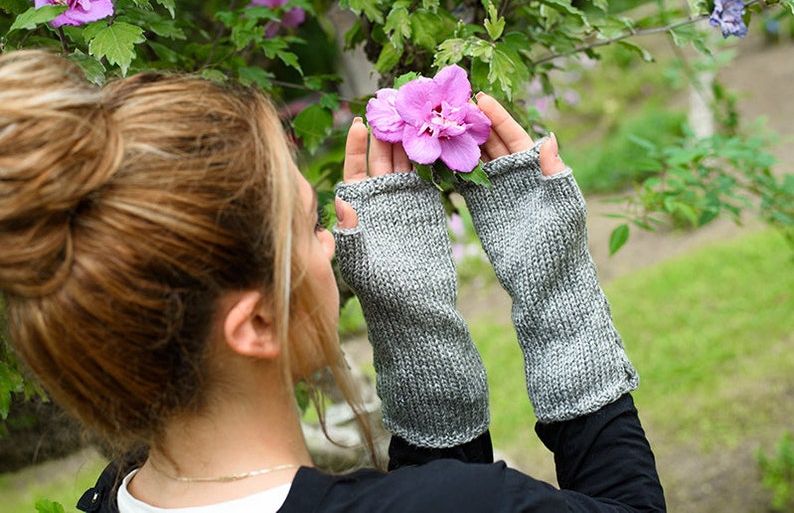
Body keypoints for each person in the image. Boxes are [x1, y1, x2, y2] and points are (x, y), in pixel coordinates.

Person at [0, 50, 665, 512]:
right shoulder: (480, 504)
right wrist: (558, 296)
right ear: (255, 323)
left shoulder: (112, 496)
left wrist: (423, 355)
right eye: (313, 223)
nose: (332, 245)